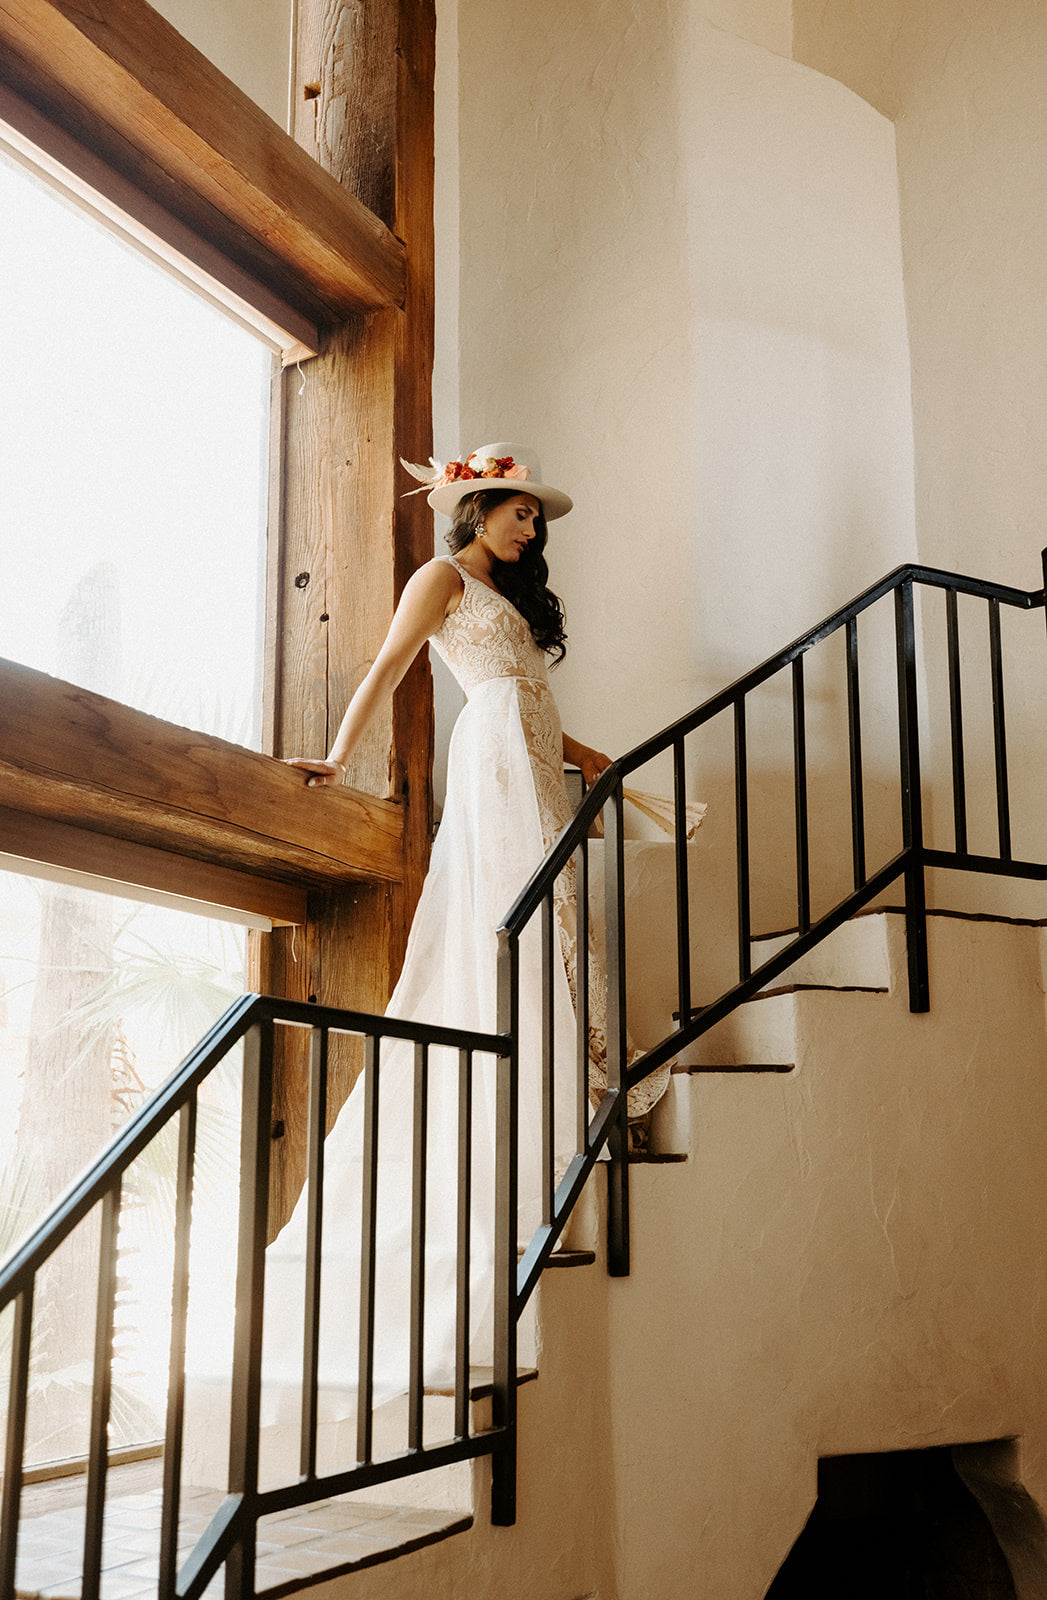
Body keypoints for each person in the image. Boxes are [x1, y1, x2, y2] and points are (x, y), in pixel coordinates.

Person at [251, 444, 667, 1460]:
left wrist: (587, 756)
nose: (530, 530)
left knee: (559, 909)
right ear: (474, 507)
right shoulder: (441, 578)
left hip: (532, 752)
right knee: (514, 909)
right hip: (490, 759)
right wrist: (340, 754)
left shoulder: (506, 599)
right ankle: (554, 1100)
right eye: (517, 513)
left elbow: (531, 694)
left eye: (535, 519)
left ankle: (580, 1081)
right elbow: (394, 666)